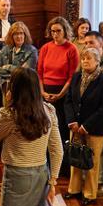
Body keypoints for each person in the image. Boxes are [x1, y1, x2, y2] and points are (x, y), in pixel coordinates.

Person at [0, 69, 63, 206]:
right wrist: (53, 180)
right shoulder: (49, 111)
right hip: (41, 175)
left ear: (14, 89)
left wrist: (6, 105)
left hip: (17, 177)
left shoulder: (10, 114)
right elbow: (57, 151)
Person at [64, 48, 103, 206]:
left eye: (89, 59)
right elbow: (69, 101)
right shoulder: (76, 77)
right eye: (83, 58)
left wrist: (86, 126)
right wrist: (72, 122)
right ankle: (74, 189)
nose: (85, 61)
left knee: (92, 162)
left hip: (95, 128)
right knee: (75, 158)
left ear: (97, 61)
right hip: (75, 127)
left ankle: (90, 194)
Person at [0, 22, 39, 160]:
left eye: (21, 34)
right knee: (7, 115)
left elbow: (25, 71)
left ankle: (20, 149)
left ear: (25, 35)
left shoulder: (32, 51)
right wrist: (15, 68)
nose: (18, 37)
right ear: (11, 36)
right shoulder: (6, 49)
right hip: (6, 88)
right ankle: (7, 148)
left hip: (23, 89)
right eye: (15, 34)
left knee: (20, 117)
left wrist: (8, 67)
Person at [37, 17, 79, 148]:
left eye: (58, 31)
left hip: (63, 92)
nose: (55, 34)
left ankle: (62, 163)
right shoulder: (45, 48)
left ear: (65, 31)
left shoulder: (71, 49)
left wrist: (60, 94)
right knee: (44, 126)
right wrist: (43, 92)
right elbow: (39, 73)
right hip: (45, 91)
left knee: (60, 128)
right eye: (53, 31)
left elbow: (72, 76)